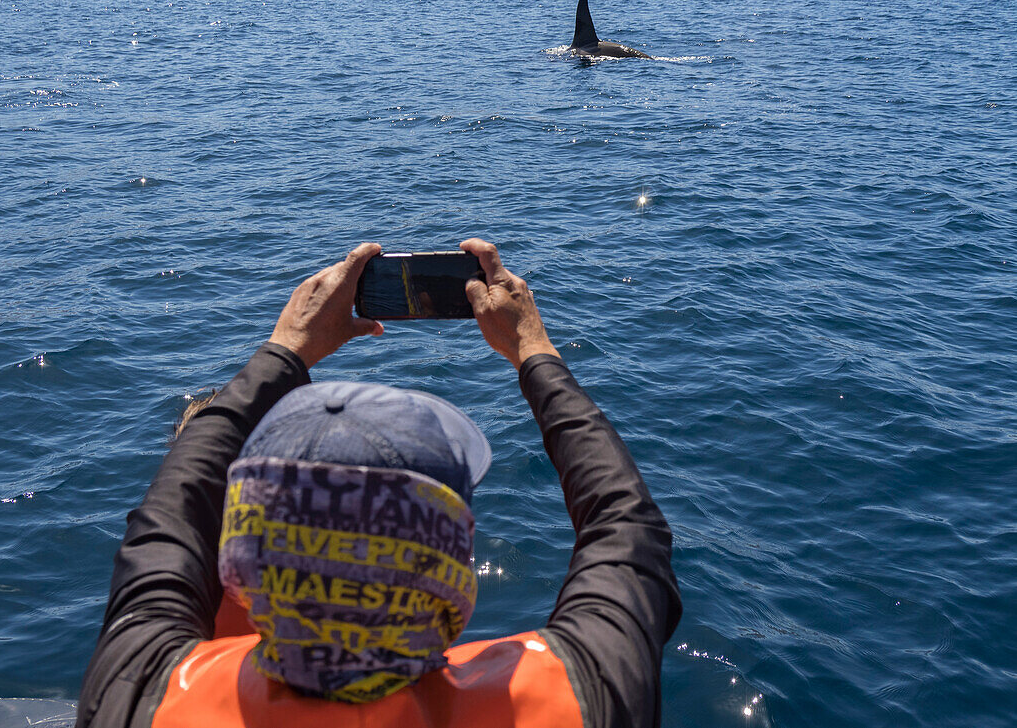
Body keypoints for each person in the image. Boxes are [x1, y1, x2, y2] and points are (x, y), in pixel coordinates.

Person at [77, 238, 682, 728]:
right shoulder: (574, 699)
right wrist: (531, 348)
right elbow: (628, 528)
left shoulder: (148, 694)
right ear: (455, 576)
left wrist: (286, 348)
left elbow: (174, 511)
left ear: (236, 564)